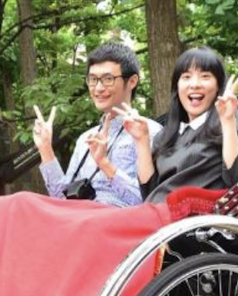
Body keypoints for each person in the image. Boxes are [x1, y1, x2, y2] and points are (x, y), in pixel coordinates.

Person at [32, 42, 159, 207]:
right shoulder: (86, 139)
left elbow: (148, 201)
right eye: (93, 79)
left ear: (132, 81)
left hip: (116, 222)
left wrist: (105, 164)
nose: (98, 88)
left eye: (108, 79)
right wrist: (46, 150)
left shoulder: (151, 132)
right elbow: (62, 200)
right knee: (12, 202)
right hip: (80, 219)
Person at [120, 46, 238, 203]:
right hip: (158, 214)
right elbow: (150, 192)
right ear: (177, 86)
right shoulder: (166, 134)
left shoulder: (229, 121)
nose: (194, 84)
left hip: (196, 218)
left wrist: (228, 121)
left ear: (218, 86)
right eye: (186, 77)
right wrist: (141, 141)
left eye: (205, 76)